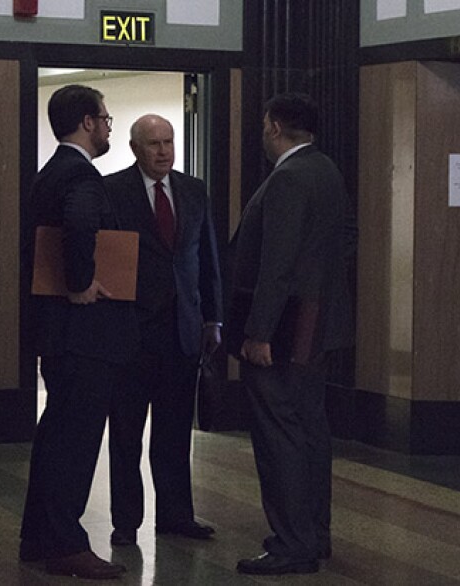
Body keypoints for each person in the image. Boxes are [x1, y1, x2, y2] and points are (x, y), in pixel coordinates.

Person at [228, 92, 354, 576]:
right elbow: (345, 239)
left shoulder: (288, 177)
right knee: (309, 428)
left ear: (275, 127)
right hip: (316, 324)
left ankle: (291, 543)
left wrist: (258, 332)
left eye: (265, 125)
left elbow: (275, 264)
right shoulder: (326, 171)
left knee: (279, 432)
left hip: (282, 329)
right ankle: (314, 533)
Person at [19, 84, 138, 579]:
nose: (108, 127)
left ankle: (38, 536)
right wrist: (81, 283)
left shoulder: (49, 172)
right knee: (76, 439)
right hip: (85, 334)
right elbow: (80, 223)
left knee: (55, 436)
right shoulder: (82, 175)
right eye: (106, 120)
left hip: (57, 335)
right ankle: (66, 542)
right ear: (87, 123)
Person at [103, 114, 223, 546]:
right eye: (153, 143)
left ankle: (176, 515)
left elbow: (206, 258)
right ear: (135, 148)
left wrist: (213, 317)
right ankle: (125, 520)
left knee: (174, 433)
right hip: (132, 333)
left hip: (182, 332)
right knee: (126, 434)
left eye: (168, 141)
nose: (163, 151)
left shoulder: (193, 190)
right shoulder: (113, 190)